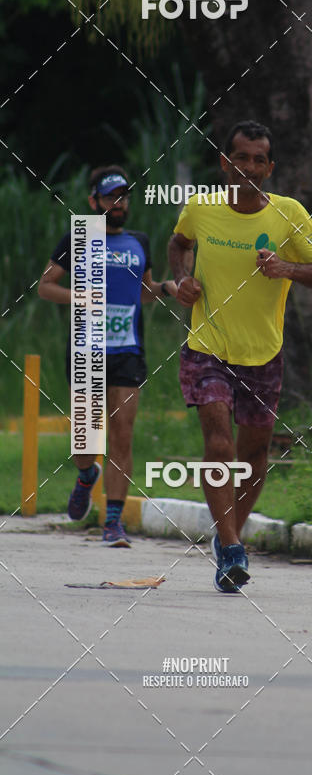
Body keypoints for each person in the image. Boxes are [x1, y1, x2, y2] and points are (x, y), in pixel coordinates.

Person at [168, 120, 312, 592]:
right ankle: (232, 546)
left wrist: (286, 268)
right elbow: (178, 244)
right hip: (208, 347)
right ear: (225, 162)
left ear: (269, 168)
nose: (249, 167)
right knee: (219, 443)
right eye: (240, 157)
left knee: (254, 455)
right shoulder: (200, 208)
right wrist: (183, 279)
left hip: (263, 352)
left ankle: (229, 539)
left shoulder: (288, 214)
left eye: (259, 159)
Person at [38, 166, 177, 546]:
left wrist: (165, 288)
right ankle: (86, 477)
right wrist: (80, 297)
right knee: (84, 439)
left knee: (122, 436)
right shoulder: (78, 237)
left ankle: (112, 522)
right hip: (86, 348)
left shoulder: (139, 242)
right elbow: (46, 287)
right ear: (93, 201)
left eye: (124, 196)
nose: (119, 203)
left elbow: (143, 292)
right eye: (112, 197)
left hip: (128, 350)